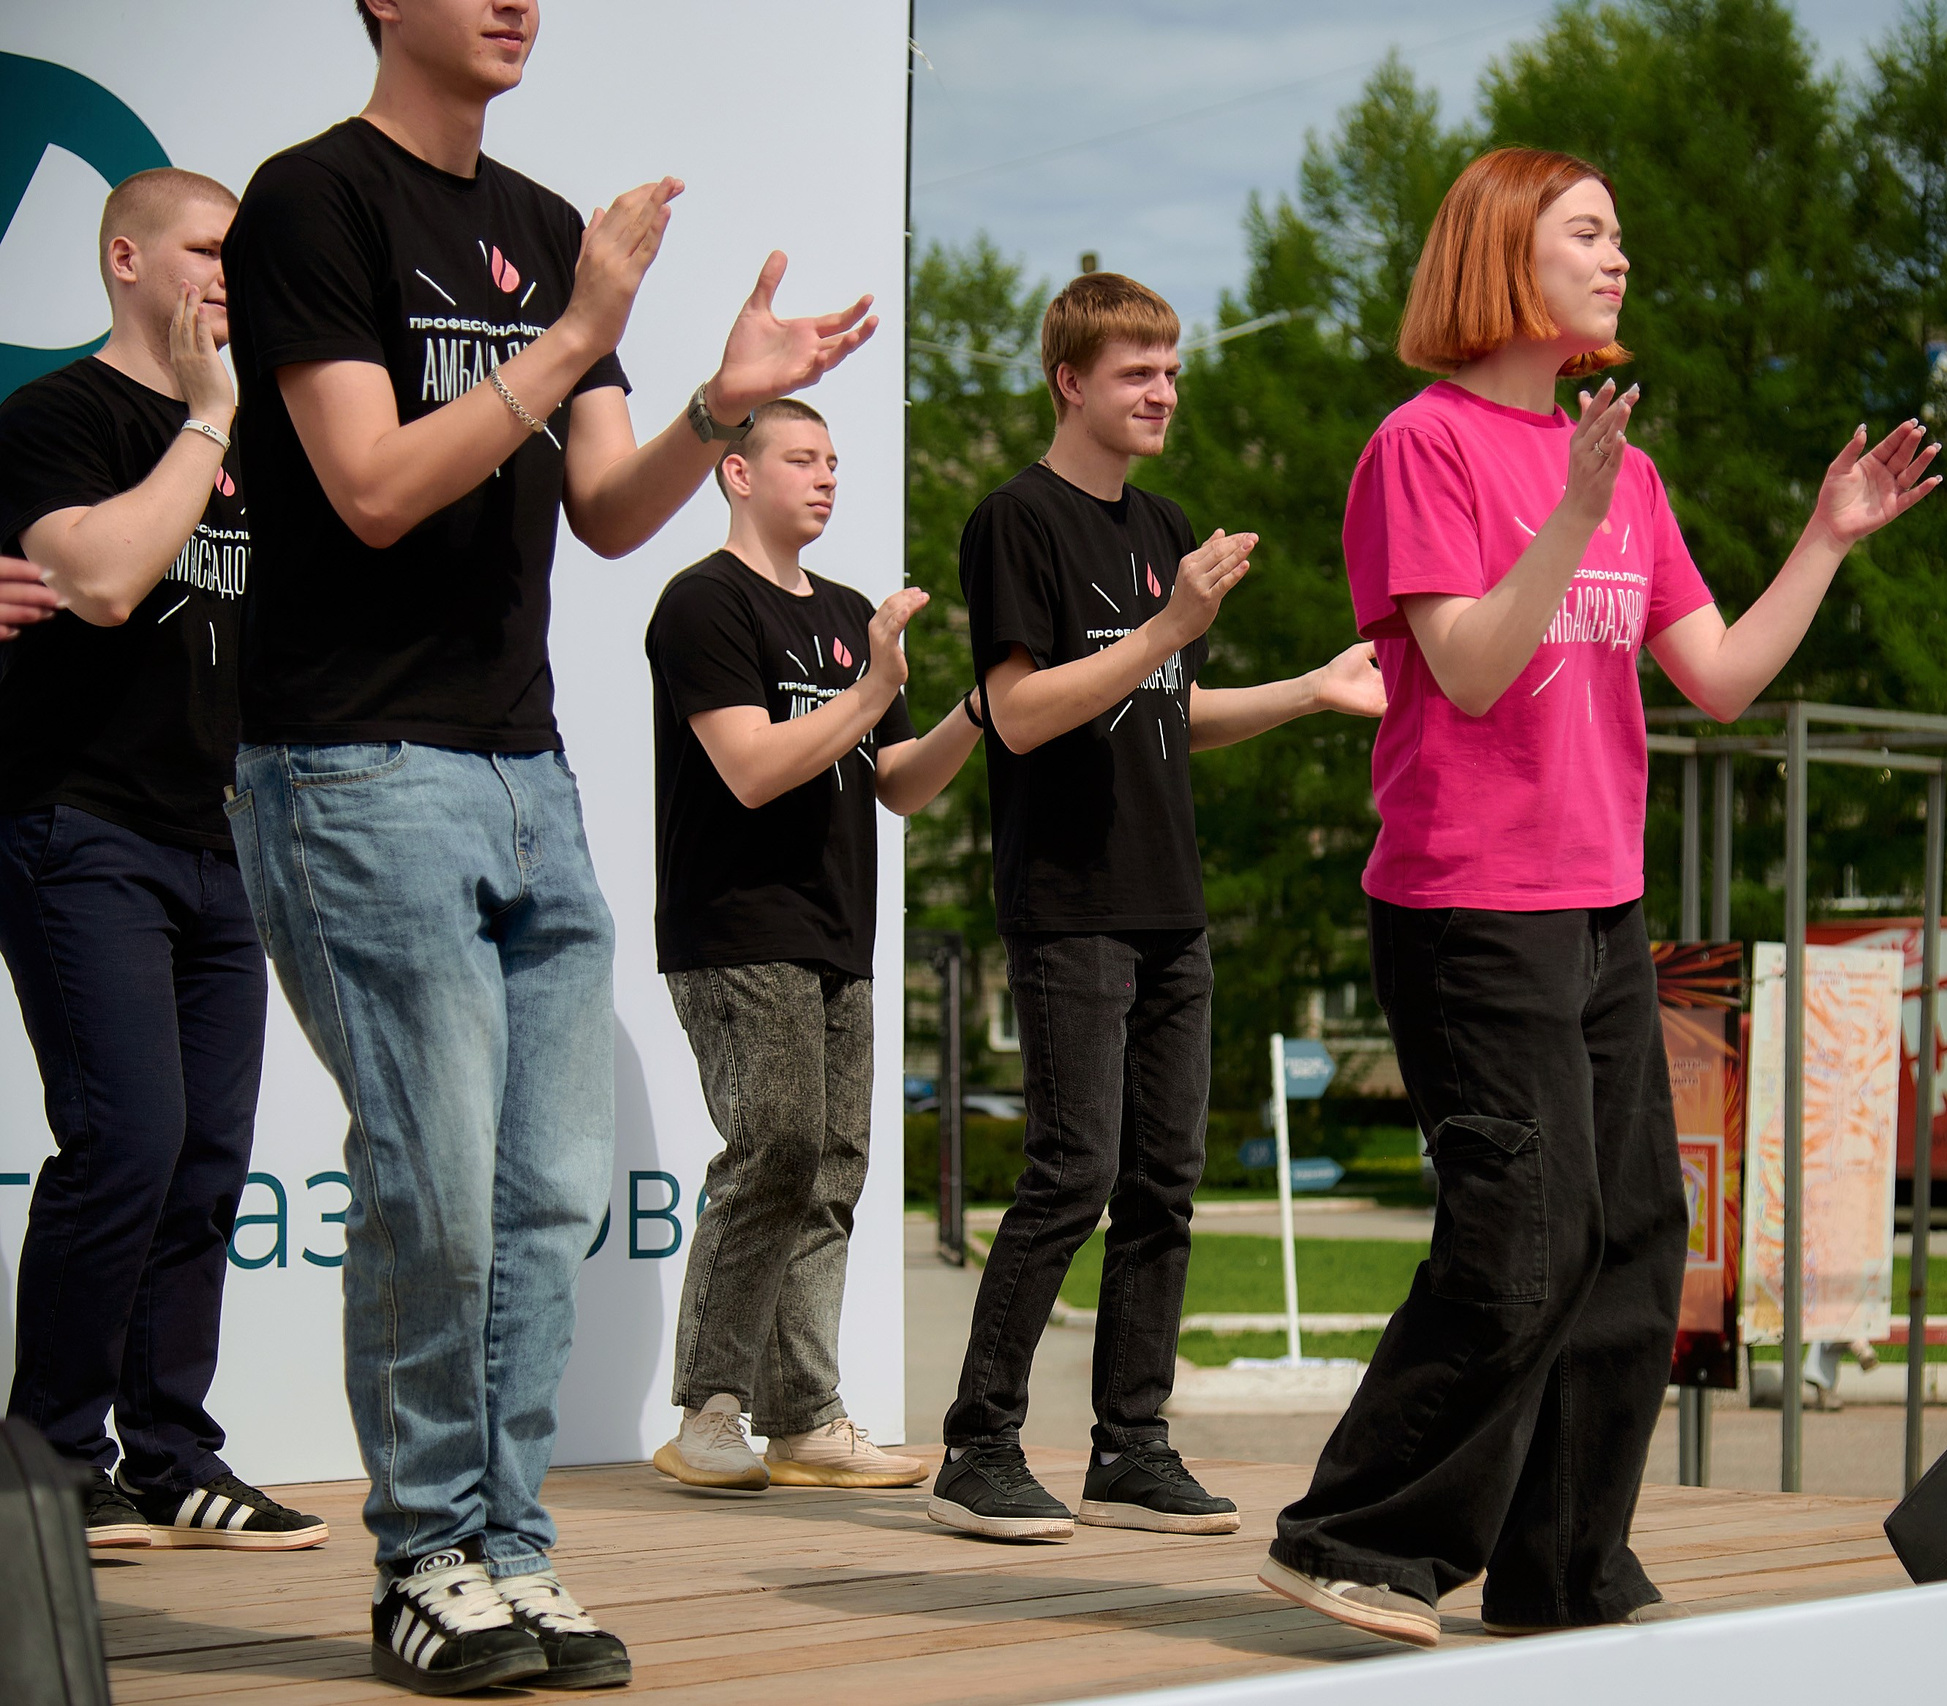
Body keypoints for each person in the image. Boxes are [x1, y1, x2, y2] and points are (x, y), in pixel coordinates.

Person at [220, 1, 876, 1692]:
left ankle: (509, 1554)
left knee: (542, 1199)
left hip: (528, 775)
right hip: (353, 769)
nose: (518, 2)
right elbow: (369, 483)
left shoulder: (536, 227)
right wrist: (576, 325)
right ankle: (425, 1558)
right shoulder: (313, 201)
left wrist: (716, 415)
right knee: (433, 1192)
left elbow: (603, 503)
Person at [1256, 148, 1940, 1647]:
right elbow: (1479, 668)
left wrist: (1824, 538)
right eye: (1588, 231)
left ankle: (1560, 1565)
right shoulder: (1420, 449)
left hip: (1597, 905)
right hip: (1466, 905)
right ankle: (1355, 1535)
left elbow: (1724, 680)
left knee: (1637, 1236)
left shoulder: (1628, 472)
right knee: (1525, 1233)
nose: (1619, 256)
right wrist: (1563, 509)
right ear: (1507, 254)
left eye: (1620, 233)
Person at [930, 272, 1385, 1542]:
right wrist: (1169, 619)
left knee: (1165, 1184)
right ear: (1069, 380)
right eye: (1139, 371)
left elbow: (1166, 710)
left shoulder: (1163, 522)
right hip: (1068, 901)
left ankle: (1131, 1445)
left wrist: (1304, 688)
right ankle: (980, 1446)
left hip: (1167, 905)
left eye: (1173, 368)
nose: (1165, 391)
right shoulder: (1013, 520)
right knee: (1071, 1172)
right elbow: (1020, 714)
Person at [0, 166, 328, 1554]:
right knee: (123, 1140)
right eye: (205, 249)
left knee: (203, 1161)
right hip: (79, 826)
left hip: (221, 844)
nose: (226, 275)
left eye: (240, 256)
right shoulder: (56, 418)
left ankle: (171, 1449)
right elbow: (108, 578)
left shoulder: (265, 441)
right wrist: (205, 420)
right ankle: (48, 1461)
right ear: (124, 257)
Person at [644, 399, 980, 1494]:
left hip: (839, 931)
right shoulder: (703, 602)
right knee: (778, 1143)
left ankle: (804, 1417)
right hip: (737, 925)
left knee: (832, 1165)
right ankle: (709, 1407)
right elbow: (750, 765)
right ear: (736, 472)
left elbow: (897, 786)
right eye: (801, 457)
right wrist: (876, 685)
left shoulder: (844, 612)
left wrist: (977, 711)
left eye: (833, 458)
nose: (826, 475)